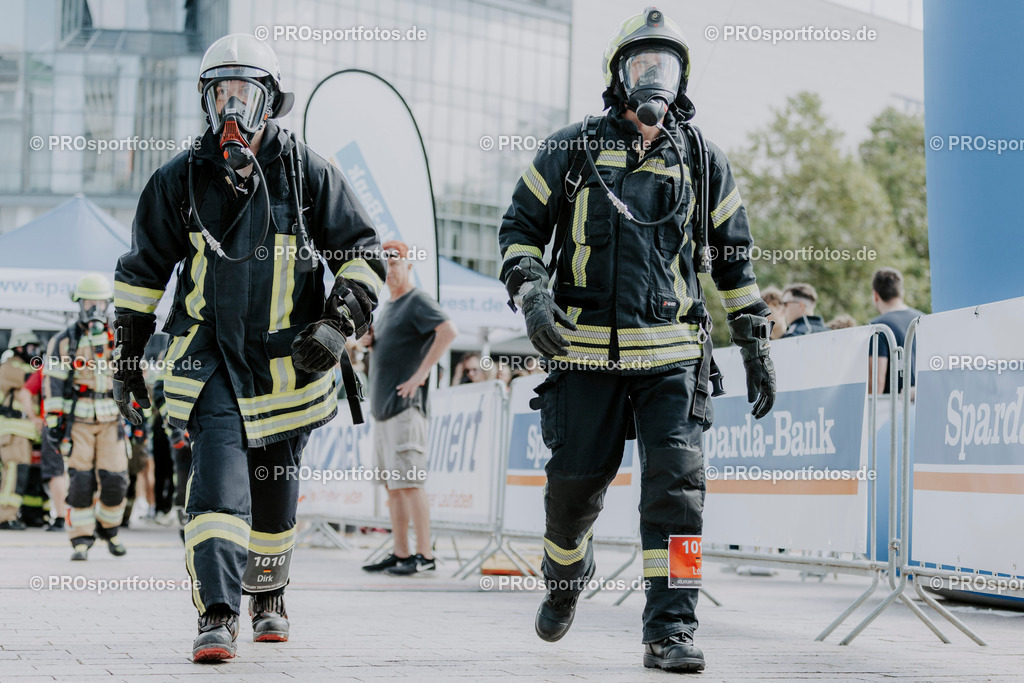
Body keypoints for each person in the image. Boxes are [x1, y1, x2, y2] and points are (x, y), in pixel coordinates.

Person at [497, 7, 776, 673]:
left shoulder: (702, 158)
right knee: (571, 493)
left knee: (678, 497)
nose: (655, 76)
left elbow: (734, 259)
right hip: (584, 353)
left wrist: (756, 338)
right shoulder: (570, 149)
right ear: (617, 76)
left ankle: (671, 628)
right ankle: (565, 578)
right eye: (642, 63)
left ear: (682, 79)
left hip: (673, 359)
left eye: (667, 65)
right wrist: (533, 292)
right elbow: (517, 231)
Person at [112, 34, 385, 662]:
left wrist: (336, 323)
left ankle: (270, 595)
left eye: (246, 94)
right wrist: (127, 361)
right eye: (221, 94)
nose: (232, 108)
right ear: (207, 102)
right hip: (208, 360)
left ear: (271, 103)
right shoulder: (179, 177)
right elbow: (141, 273)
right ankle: (217, 609)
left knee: (275, 487)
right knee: (219, 480)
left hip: (292, 361)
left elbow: (364, 256)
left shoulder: (307, 171)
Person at [361, 240, 458, 576]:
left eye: (394, 263)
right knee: (394, 485)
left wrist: (421, 375)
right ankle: (402, 552)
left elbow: (448, 331)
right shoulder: (388, 307)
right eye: (385, 263)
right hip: (385, 410)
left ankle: (424, 554)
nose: (389, 269)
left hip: (405, 410)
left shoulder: (417, 300)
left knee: (411, 482)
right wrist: (368, 345)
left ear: (408, 266)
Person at [43, 274, 129, 560]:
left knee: (116, 480)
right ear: (79, 303)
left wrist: (138, 415)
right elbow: (53, 383)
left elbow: (132, 376)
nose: (94, 307)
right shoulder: (63, 341)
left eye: (100, 302)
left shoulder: (119, 337)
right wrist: (53, 422)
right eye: (89, 301)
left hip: (111, 420)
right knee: (79, 481)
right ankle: (81, 539)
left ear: (108, 304)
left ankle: (110, 530)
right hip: (78, 421)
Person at [0, 330, 42, 530]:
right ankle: (4, 516)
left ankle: (17, 514)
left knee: (22, 473)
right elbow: (31, 378)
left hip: (25, 431)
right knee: (13, 472)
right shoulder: (9, 367)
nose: (34, 351)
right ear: (19, 347)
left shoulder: (27, 367)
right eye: (30, 347)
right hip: (13, 430)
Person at [18, 366, 66, 531]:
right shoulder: (90, 362)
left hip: (52, 424)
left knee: (55, 472)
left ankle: (61, 518)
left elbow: (24, 394)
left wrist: (34, 418)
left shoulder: (46, 369)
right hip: (85, 422)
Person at [868, 267, 923, 394]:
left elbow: (877, 384)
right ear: (901, 292)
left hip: (892, 410)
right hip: (923, 405)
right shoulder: (924, 319)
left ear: (876, 295)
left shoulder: (877, 327)